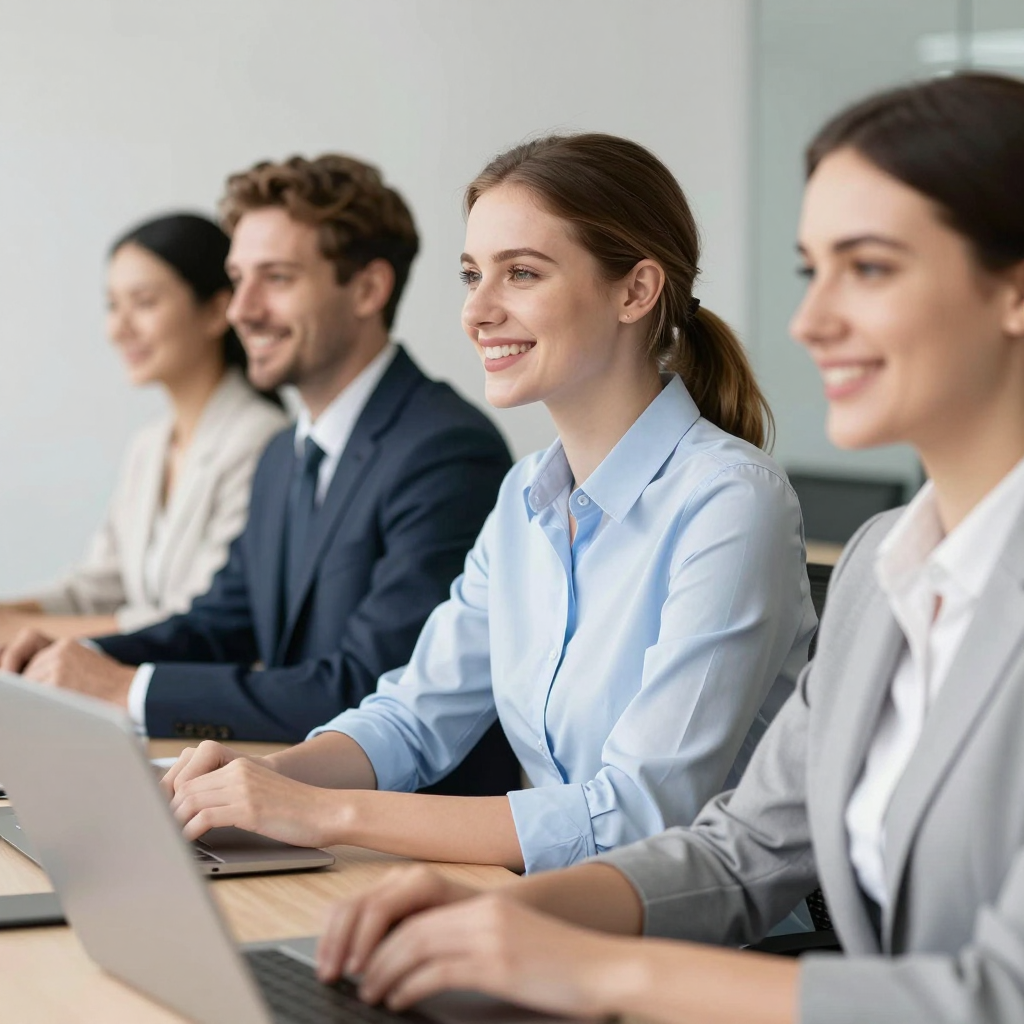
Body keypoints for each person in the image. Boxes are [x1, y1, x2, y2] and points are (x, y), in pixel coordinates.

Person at [304, 73, 1024, 1023]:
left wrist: (588, 967)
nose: (808, 322)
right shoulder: (885, 567)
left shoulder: (737, 500)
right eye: (813, 271)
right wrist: (504, 916)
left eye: (873, 268)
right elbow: (741, 851)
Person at [157, 132, 816, 876]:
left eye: (522, 273)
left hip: (703, 950)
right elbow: (411, 720)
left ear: (636, 291)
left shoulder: (730, 503)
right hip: (548, 915)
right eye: (472, 275)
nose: (477, 311)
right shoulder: (524, 498)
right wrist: (253, 784)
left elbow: (637, 817)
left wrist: (322, 813)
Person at [0, 154, 519, 797]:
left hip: (411, 831)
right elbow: (221, 622)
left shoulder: (445, 449)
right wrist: (78, 663)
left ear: (367, 289)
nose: (242, 310)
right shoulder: (284, 455)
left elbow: (367, 686)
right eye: (237, 278)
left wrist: (128, 689)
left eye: (275, 278)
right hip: (300, 806)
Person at [0, 214, 287, 642]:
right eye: (113, 305)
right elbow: (99, 587)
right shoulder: (149, 447)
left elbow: (199, 621)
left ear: (215, 310)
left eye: (145, 303)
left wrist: (26, 628)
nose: (118, 328)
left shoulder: (263, 441)